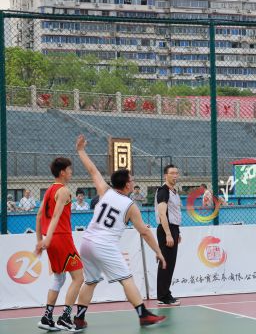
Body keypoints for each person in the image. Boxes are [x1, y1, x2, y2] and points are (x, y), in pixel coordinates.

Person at [73, 135, 167, 330]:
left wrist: (81, 151)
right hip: (104, 245)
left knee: (90, 281)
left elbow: (93, 171)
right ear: (126, 185)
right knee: (126, 279)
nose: (133, 182)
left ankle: (79, 319)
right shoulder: (130, 205)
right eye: (131, 180)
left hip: (87, 243)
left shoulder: (104, 191)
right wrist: (158, 251)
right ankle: (143, 315)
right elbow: (145, 232)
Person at [34, 157, 84, 331]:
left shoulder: (49, 190)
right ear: (62, 172)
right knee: (79, 278)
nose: (71, 172)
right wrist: (47, 239)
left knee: (59, 278)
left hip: (51, 238)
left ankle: (47, 317)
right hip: (61, 238)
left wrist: (40, 240)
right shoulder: (63, 191)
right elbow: (55, 216)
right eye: (69, 170)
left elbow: (39, 216)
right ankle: (65, 317)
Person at [155, 164, 182, 307]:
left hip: (173, 229)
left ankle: (166, 293)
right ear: (166, 175)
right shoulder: (163, 191)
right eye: (172, 173)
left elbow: (174, 213)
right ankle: (162, 296)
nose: (175, 175)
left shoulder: (174, 192)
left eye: (176, 173)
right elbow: (162, 213)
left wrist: (178, 232)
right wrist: (168, 234)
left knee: (170, 264)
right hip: (166, 229)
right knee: (165, 263)